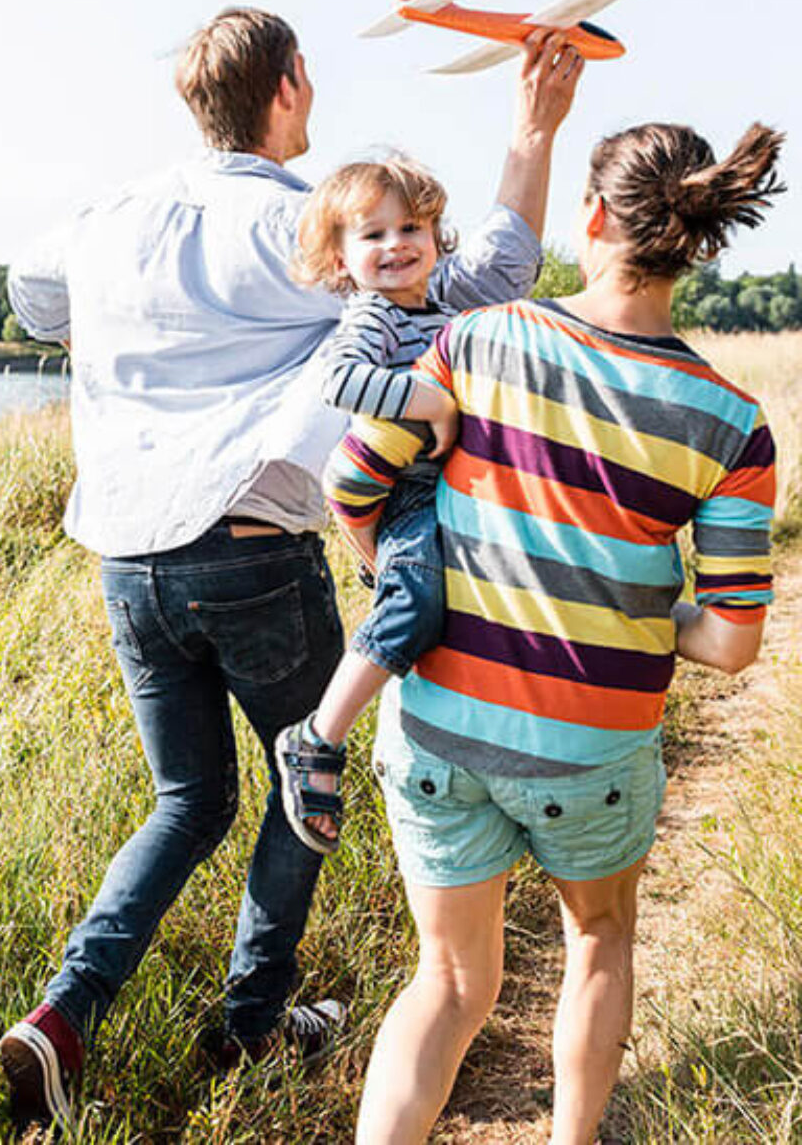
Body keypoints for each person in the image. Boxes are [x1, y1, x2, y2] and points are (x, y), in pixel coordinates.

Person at [0, 6, 582, 1136]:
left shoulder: (106, 214)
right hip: (252, 547)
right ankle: (251, 1021)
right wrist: (531, 128)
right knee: (295, 779)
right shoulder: (304, 225)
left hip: (124, 559)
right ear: (291, 87)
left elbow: (33, 299)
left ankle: (65, 1012)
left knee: (187, 799)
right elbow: (486, 278)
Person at [323, 121, 784, 1145]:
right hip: (594, 749)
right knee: (599, 939)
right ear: (699, 244)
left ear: (590, 219)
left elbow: (348, 482)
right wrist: (630, 609)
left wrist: (407, 577)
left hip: (439, 727)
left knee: (444, 981)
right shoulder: (733, 421)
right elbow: (730, 644)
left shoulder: (480, 338)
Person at [272, 138, 600, 854]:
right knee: (416, 603)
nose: (395, 246)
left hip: (456, 490)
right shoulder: (374, 316)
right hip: (410, 496)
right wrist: (431, 402)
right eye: (373, 235)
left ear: (436, 237)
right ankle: (317, 737)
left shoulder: (445, 306)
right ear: (341, 261)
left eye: (410, 229)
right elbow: (341, 382)